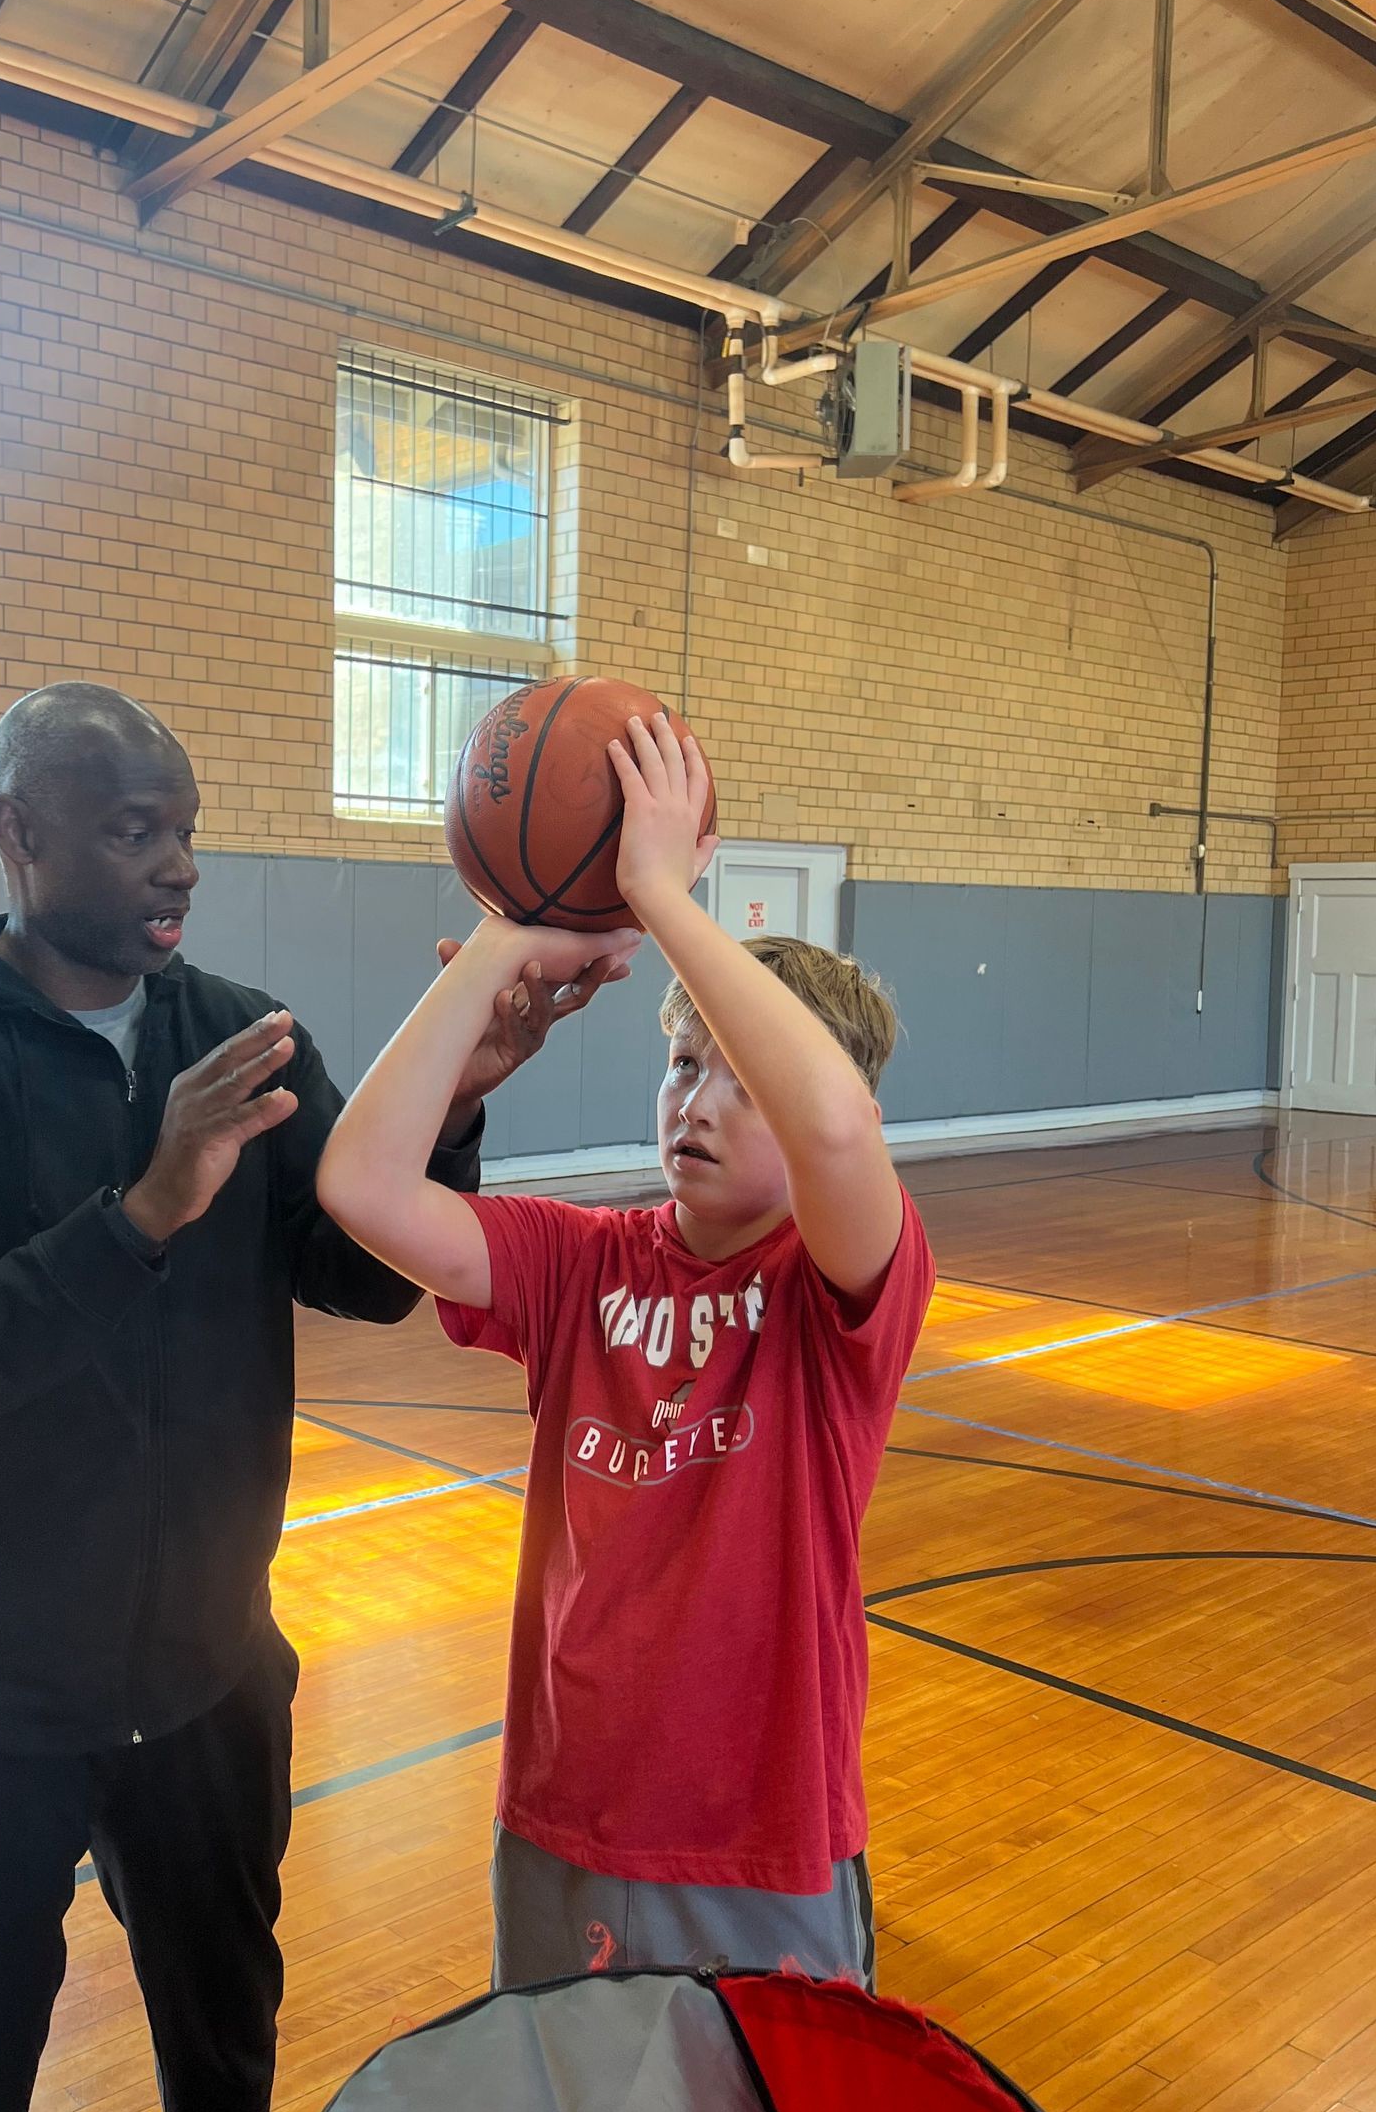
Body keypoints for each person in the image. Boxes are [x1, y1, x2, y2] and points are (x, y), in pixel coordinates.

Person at [0, 684, 628, 2112]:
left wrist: (453, 1102)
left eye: (186, 825)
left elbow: (365, 1277)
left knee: (226, 2019)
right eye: (128, 828)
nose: (177, 865)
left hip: (204, 1669)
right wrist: (141, 1213)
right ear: (17, 833)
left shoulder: (244, 1034)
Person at [317, 711, 935, 1990]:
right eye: (681, 1063)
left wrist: (656, 892)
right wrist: (497, 948)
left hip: (757, 1837)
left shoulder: (836, 1291)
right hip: (566, 1809)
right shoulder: (584, 1262)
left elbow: (831, 1130)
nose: (696, 1102)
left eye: (739, 1083)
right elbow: (362, 1183)